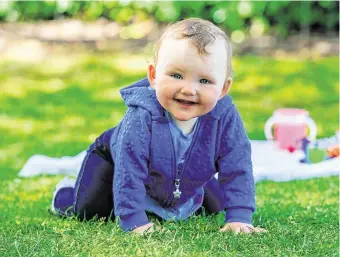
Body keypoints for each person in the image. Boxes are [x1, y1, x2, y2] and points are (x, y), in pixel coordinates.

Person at [51, 18, 267, 235]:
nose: (189, 89)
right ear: (153, 76)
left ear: (223, 88)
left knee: (215, 206)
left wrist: (239, 217)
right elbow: (129, 169)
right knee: (92, 212)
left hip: (176, 173)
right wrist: (134, 221)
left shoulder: (224, 117)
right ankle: (66, 193)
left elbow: (237, 166)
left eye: (204, 81)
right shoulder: (142, 115)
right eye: (176, 75)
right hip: (113, 161)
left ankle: (185, 192)